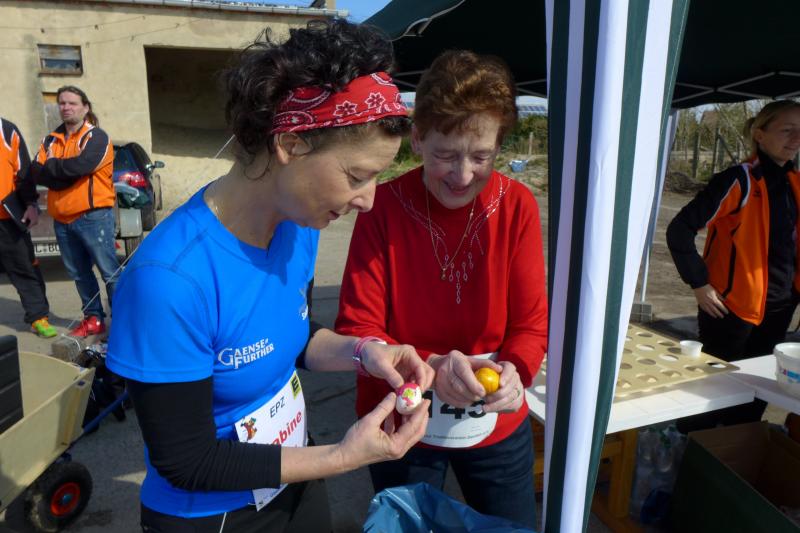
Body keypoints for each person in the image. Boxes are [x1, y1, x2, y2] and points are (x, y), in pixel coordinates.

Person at [105, 19, 433, 532]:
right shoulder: (169, 281)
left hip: (291, 474)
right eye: (356, 176)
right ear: (291, 144)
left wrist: (364, 352)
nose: (368, 201)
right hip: (214, 514)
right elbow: (186, 461)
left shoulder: (299, 223)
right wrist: (344, 456)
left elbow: (290, 333)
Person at [335, 50, 548, 529]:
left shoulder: (517, 205)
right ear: (417, 138)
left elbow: (532, 323)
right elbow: (358, 326)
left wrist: (515, 372)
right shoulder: (383, 207)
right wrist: (431, 367)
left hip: (495, 423)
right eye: (445, 155)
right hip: (400, 417)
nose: (463, 174)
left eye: (482, 156)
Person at [667, 100, 800, 430]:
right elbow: (679, 230)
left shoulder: (795, 182)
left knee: (755, 395)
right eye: (787, 130)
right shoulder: (738, 180)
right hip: (730, 308)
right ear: (760, 134)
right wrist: (699, 283)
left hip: (779, 307)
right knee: (710, 393)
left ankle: (737, 449)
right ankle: (690, 448)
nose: (796, 139)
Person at [31, 86, 119, 338]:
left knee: (109, 272)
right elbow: (36, 172)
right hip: (62, 220)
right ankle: (93, 319)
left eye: (72, 103)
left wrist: (53, 167)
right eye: (62, 103)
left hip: (93, 216)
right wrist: (62, 173)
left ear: (85, 107)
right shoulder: (50, 140)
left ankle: (124, 319)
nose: (66, 107)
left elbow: (83, 165)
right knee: (79, 274)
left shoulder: (96, 137)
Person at [0, 117, 57, 338]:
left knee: (24, 267)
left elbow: (23, 173)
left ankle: (38, 317)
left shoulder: (6, 130)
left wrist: (31, 204)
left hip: (6, 217)